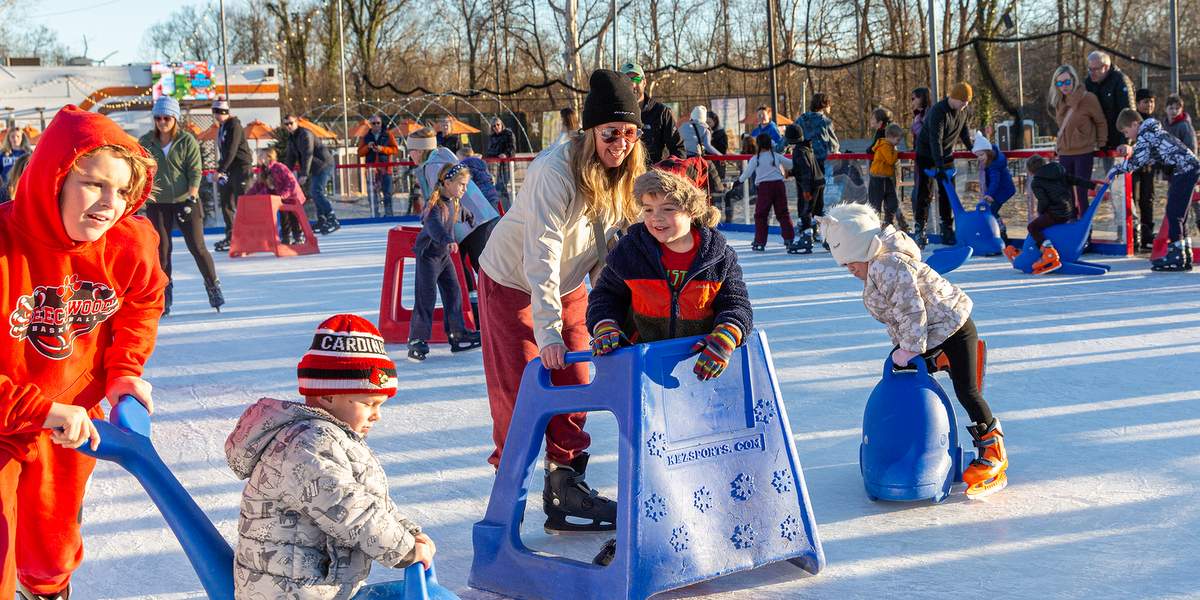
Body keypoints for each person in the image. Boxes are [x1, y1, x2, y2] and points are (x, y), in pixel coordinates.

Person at [1, 105, 167, 600]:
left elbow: (142, 302)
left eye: (121, 190)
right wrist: (39, 410)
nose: (109, 204)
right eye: (94, 184)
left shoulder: (130, 243)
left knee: (52, 553)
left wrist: (124, 371)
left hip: (72, 421)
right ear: (53, 179)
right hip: (6, 418)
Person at [477, 69, 645, 533]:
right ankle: (506, 499)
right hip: (512, 282)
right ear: (591, 131)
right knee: (520, 392)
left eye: (630, 133)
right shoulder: (554, 170)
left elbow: (605, 254)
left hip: (569, 286)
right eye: (611, 132)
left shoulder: (624, 176)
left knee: (574, 381)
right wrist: (547, 332)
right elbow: (543, 253)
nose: (621, 143)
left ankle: (565, 488)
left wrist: (619, 317)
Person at [224, 314, 435, 599]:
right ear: (327, 396)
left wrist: (409, 532)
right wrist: (405, 549)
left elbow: (370, 502)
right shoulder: (308, 445)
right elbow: (349, 510)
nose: (377, 415)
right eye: (368, 402)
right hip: (290, 592)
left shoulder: (331, 439)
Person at [817, 203, 1007, 499]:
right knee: (906, 376)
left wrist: (908, 348)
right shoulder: (879, 268)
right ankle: (912, 445)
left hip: (953, 328)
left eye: (852, 261)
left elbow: (911, 311)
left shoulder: (887, 266)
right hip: (934, 333)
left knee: (967, 391)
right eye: (844, 264)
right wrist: (907, 348)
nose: (849, 268)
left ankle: (994, 450)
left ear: (865, 249)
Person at [138, 96, 223, 316]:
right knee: (162, 253)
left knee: (197, 247)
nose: (162, 122)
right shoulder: (146, 141)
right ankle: (164, 296)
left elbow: (195, 170)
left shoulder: (186, 140)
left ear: (174, 118)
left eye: (166, 117)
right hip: (158, 203)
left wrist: (192, 196)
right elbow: (139, 169)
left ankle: (213, 286)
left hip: (186, 200)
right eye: (158, 117)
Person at [408, 162, 483, 361]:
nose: (464, 189)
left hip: (443, 257)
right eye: (461, 185)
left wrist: (470, 216)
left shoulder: (454, 201)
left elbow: (460, 211)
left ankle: (457, 333)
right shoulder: (435, 205)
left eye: (466, 185)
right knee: (426, 297)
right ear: (448, 183)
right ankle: (417, 340)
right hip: (428, 256)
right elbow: (434, 227)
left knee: (454, 293)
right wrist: (448, 240)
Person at [1114, 108, 1200, 271]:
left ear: (1134, 124)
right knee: (1180, 213)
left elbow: (1138, 159)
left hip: (1184, 170)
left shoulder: (1145, 134)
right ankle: (1184, 253)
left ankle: (1177, 255)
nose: (1126, 136)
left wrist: (1119, 169)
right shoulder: (1153, 132)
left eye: (1126, 131)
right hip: (1188, 169)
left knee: (1174, 213)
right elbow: (1149, 156)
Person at [407, 128, 500, 271]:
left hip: (470, 221)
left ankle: (485, 292)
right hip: (477, 217)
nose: (409, 154)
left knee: (481, 267)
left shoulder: (433, 166)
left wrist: (433, 223)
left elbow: (440, 199)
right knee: (468, 265)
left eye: (410, 150)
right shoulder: (441, 157)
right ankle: (472, 291)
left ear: (419, 151)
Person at [915, 82, 974, 248]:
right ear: (954, 98)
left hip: (946, 155)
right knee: (925, 193)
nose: (965, 105)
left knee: (948, 193)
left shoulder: (962, 111)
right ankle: (920, 228)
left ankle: (947, 228)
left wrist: (973, 148)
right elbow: (935, 140)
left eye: (967, 102)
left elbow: (964, 132)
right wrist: (939, 167)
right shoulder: (938, 111)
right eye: (963, 102)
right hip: (927, 154)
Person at [1018, 154, 1096, 273]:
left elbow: (1043, 201)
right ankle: (1047, 249)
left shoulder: (1037, 182)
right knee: (1042, 223)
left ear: (1030, 170)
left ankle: (1048, 252)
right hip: (1069, 211)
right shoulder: (1058, 171)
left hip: (1057, 214)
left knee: (1032, 227)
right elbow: (1075, 180)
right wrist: (1093, 185)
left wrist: (1041, 213)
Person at [1048, 64, 1106, 222]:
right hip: (1065, 152)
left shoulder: (1088, 98)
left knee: (1081, 192)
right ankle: (1071, 222)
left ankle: (1086, 226)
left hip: (1083, 151)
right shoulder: (1060, 101)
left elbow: (1100, 121)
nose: (1064, 86)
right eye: (1059, 83)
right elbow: (1063, 127)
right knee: (1066, 191)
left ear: (1074, 80)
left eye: (1066, 82)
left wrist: (1102, 142)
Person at [736, 133, 796, 252]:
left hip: (764, 188)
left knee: (761, 215)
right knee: (783, 213)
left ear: (758, 144)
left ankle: (760, 241)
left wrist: (738, 181)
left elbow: (747, 173)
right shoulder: (776, 156)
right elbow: (791, 164)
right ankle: (789, 239)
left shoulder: (756, 159)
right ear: (770, 143)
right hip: (779, 185)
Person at [283, 114, 340, 235]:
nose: (288, 126)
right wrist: (285, 173)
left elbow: (307, 154)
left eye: (291, 123)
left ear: (297, 122)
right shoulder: (292, 139)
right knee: (315, 192)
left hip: (324, 164)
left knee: (316, 191)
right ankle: (322, 220)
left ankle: (332, 218)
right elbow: (290, 158)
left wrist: (304, 174)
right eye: (286, 124)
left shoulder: (305, 134)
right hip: (316, 167)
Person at [620, 62, 684, 165]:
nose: (632, 85)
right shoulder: (613, 112)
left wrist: (668, 172)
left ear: (644, 82)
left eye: (636, 79)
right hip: (621, 177)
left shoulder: (660, 112)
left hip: (650, 176)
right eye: (627, 81)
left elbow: (678, 149)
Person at [212, 96, 253, 252]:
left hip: (241, 168)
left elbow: (232, 150)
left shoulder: (234, 125)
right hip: (229, 170)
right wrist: (222, 169)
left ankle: (247, 237)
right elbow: (224, 153)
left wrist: (220, 170)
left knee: (241, 204)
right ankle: (231, 236)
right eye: (215, 112)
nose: (217, 116)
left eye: (219, 112)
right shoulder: (222, 127)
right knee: (226, 203)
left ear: (225, 112)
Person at [799, 93, 840, 241]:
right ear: (824, 105)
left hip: (803, 163)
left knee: (805, 196)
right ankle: (815, 228)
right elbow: (834, 143)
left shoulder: (802, 119)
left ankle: (806, 227)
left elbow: (790, 137)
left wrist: (778, 150)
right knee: (819, 197)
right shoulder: (825, 121)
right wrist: (836, 151)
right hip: (818, 164)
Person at [246, 147, 308, 246]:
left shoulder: (279, 167)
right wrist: (248, 196)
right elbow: (259, 186)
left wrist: (283, 195)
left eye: (261, 155)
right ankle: (286, 238)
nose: (259, 157)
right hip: (281, 199)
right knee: (284, 217)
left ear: (269, 157)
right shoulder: (264, 171)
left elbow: (291, 182)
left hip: (293, 197)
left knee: (293, 216)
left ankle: (298, 237)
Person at [1084, 51, 1136, 155]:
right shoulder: (1088, 82)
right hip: (1097, 142)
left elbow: (1128, 113)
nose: (1092, 73)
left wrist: (1126, 142)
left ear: (1106, 67)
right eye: (1090, 69)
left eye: (1095, 69)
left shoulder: (1120, 80)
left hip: (1118, 141)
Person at [971, 131, 1016, 246]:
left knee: (991, 211)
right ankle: (997, 232)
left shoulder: (994, 165)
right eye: (978, 156)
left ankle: (1001, 233)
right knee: (990, 211)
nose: (979, 158)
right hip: (998, 190)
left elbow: (995, 181)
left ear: (988, 153)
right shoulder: (991, 161)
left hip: (1002, 191)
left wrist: (990, 194)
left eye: (981, 155)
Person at [786, 124, 822, 253]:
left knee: (805, 210)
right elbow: (803, 169)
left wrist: (806, 190)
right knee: (816, 209)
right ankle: (819, 233)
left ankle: (807, 237)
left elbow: (806, 171)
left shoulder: (799, 152)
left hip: (809, 184)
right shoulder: (807, 148)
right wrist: (790, 173)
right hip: (818, 181)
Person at [1130, 88, 1159, 249]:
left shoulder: (1154, 121)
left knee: (1148, 198)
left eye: (1152, 102)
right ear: (1138, 103)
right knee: (1132, 198)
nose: (1149, 105)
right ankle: (1134, 232)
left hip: (1148, 165)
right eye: (1146, 102)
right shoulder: (1134, 120)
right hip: (1134, 165)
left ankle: (1147, 232)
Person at [358, 115, 400, 216]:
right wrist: (368, 147)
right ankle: (374, 214)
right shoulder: (366, 137)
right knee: (372, 194)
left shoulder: (388, 135)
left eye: (378, 123)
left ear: (381, 124)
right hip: (371, 170)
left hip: (386, 168)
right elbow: (359, 153)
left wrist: (383, 149)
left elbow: (395, 149)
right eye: (374, 123)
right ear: (370, 125)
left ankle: (389, 215)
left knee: (387, 193)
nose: (376, 125)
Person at [869, 123, 908, 231]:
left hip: (886, 178)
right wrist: (896, 152)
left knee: (892, 202)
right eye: (897, 140)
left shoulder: (890, 146)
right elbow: (890, 160)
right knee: (876, 204)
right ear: (890, 137)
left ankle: (890, 224)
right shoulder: (885, 146)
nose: (898, 143)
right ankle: (874, 227)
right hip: (877, 179)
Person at [457, 145, 503, 211]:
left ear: (463, 156)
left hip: (481, 196)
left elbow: (468, 183)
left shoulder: (465, 164)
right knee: (495, 216)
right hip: (492, 194)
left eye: (458, 157)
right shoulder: (481, 163)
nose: (458, 160)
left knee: (486, 218)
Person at [484, 117, 516, 207]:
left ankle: (509, 206)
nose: (496, 127)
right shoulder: (492, 137)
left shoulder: (508, 134)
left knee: (503, 186)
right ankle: (502, 207)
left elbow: (512, 148)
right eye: (494, 126)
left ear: (502, 125)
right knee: (497, 187)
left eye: (498, 124)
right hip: (495, 166)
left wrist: (505, 154)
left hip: (507, 165)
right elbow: (489, 151)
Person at [0, 125, 31, 204]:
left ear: (22, 138)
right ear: (8, 138)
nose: (15, 139)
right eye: (12, 136)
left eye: (18, 136)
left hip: (24, 190)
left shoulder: (28, 153)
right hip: (7, 190)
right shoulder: (3, 154)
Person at [708, 111, 730, 180]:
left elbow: (723, 149)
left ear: (715, 121)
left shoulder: (721, 133)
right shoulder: (705, 131)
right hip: (708, 162)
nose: (707, 125)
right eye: (706, 123)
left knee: (718, 181)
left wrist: (712, 142)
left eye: (709, 123)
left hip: (718, 162)